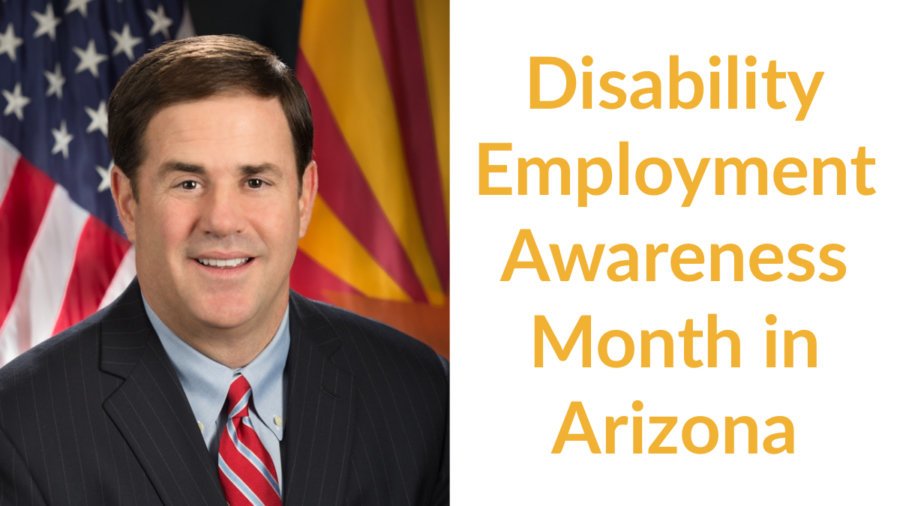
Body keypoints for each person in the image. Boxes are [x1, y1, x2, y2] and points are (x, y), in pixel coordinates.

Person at [0, 35, 448, 505]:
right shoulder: (20, 427)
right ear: (128, 201)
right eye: (188, 182)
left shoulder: (421, 396)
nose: (222, 220)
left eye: (255, 181)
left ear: (304, 197)